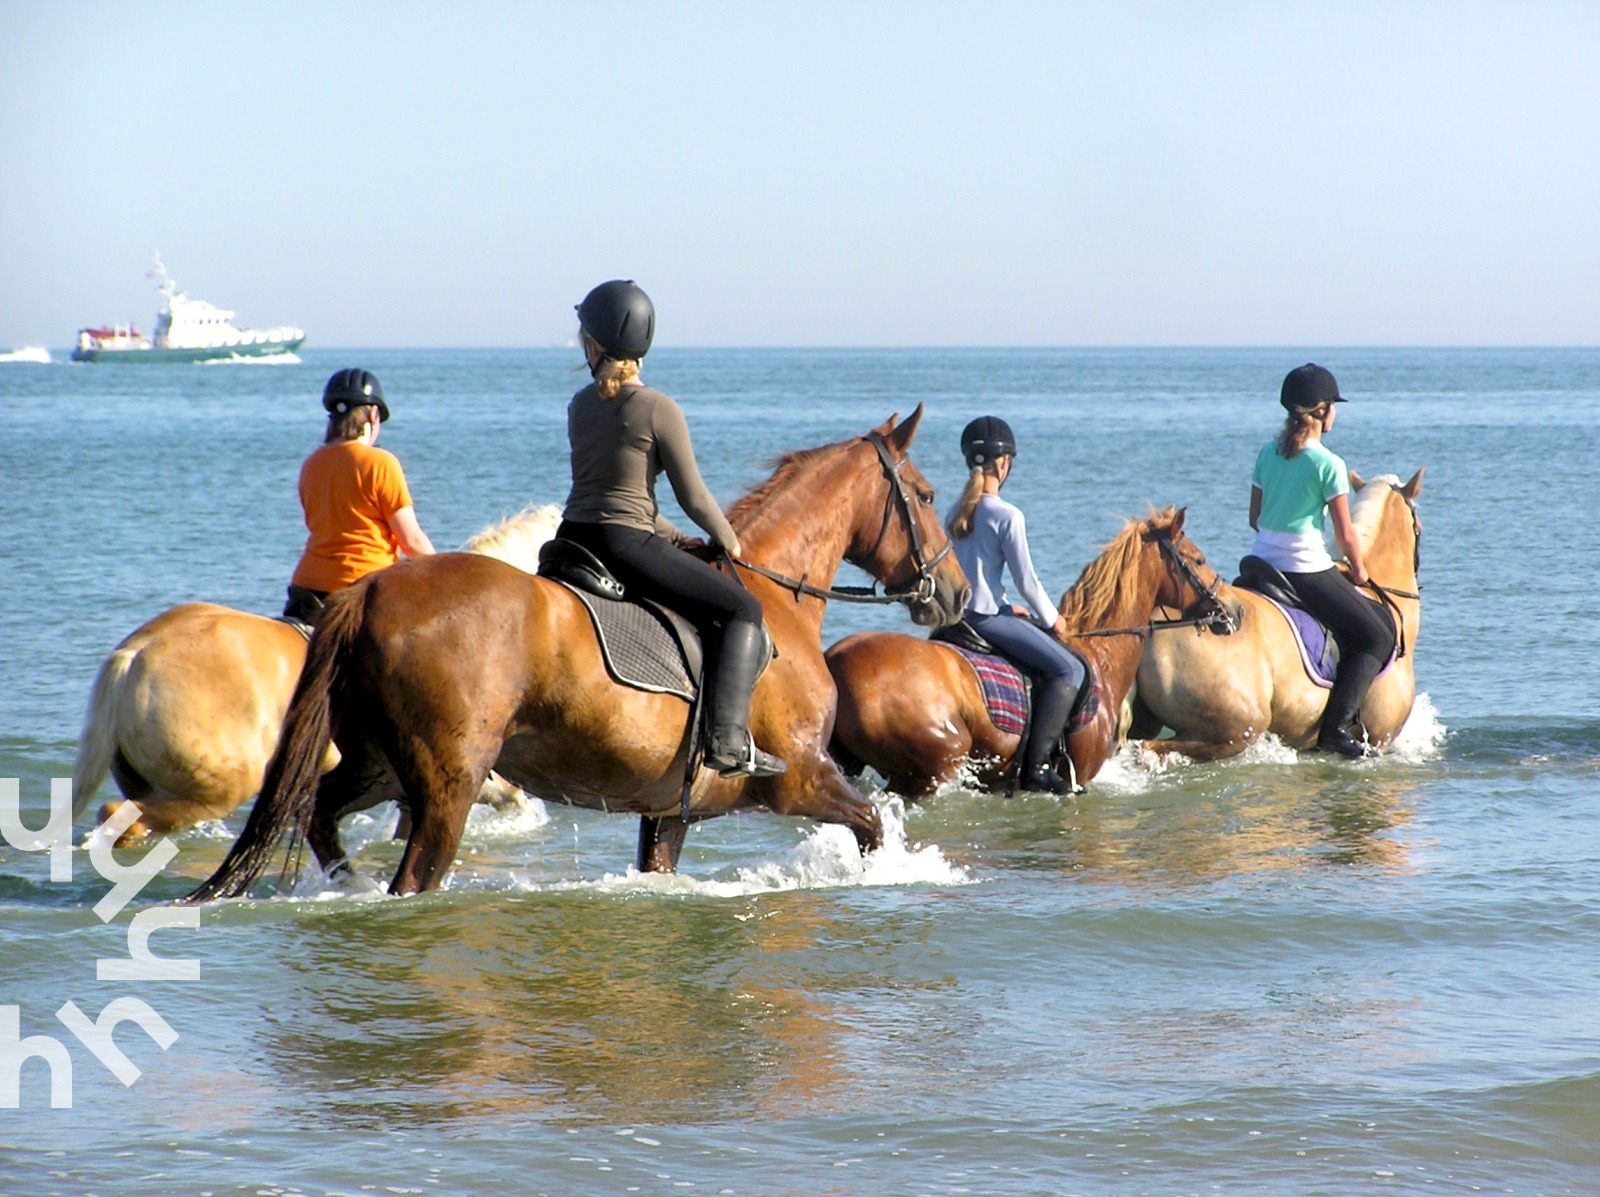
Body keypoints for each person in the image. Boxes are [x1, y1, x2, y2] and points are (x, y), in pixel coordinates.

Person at [554, 280, 785, 779]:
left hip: (572, 538)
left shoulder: (579, 404)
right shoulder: (658, 407)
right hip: (624, 545)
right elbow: (694, 496)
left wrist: (676, 539)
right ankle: (727, 741)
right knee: (743, 607)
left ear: (594, 346)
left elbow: (612, 491)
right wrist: (727, 538)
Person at [1249, 363, 1395, 758]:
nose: (1336, 413)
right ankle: (1334, 731)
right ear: (1321, 410)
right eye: (1334, 405)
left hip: (1260, 564)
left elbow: (1254, 519)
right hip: (1305, 570)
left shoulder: (1266, 454)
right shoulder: (1329, 464)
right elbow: (1346, 535)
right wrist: (1361, 571)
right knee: (1377, 636)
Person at [946, 416, 1085, 794]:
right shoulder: (1007, 515)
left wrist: (1010, 609)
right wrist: (1053, 619)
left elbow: (974, 576)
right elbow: (1028, 582)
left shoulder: (955, 512)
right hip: (986, 620)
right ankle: (1037, 769)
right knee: (1069, 670)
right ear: (1004, 463)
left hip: (957, 620)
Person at [284, 368, 435, 623]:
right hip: (364, 591)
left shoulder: (311, 464)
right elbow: (411, 540)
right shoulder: (380, 463)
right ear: (373, 415)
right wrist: (443, 575)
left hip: (307, 590)